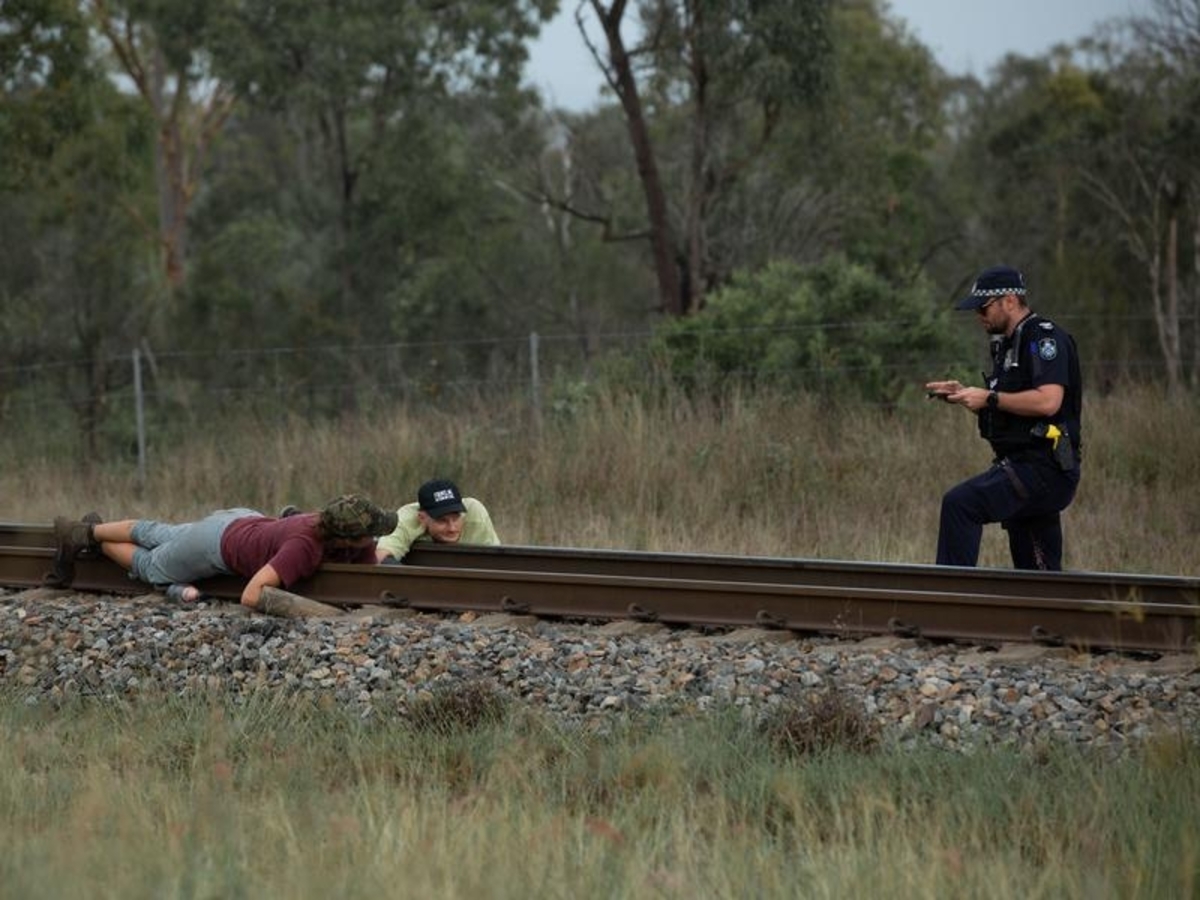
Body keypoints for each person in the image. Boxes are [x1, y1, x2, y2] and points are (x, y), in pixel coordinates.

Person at [924, 265, 1082, 570]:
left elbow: (1049, 401)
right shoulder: (1009, 345)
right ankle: (1045, 603)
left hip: (1044, 467)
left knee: (960, 505)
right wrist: (967, 396)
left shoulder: (1043, 338)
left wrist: (990, 398)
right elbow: (1012, 408)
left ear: (1009, 300)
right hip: (1027, 467)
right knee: (1036, 576)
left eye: (983, 308)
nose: (978, 316)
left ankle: (949, 595)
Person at [50, 494, 397, 608]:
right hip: (214, 545)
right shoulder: (303, 547)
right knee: (152, 565)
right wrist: (311, 611)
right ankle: (87, 536)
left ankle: (88, 531)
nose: (375, 539)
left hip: (240, 521)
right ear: (346, 538)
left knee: (162, 533)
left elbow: (365, 574)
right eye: (370, 534)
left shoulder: (333, 528)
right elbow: (251, 595)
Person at [375, 478, 499, 563]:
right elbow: (380, 557)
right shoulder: (406, 519)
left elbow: (497, 561)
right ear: (422, 518)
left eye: (456, 518)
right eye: (442, 521)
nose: (452, 528)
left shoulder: (474, 512)